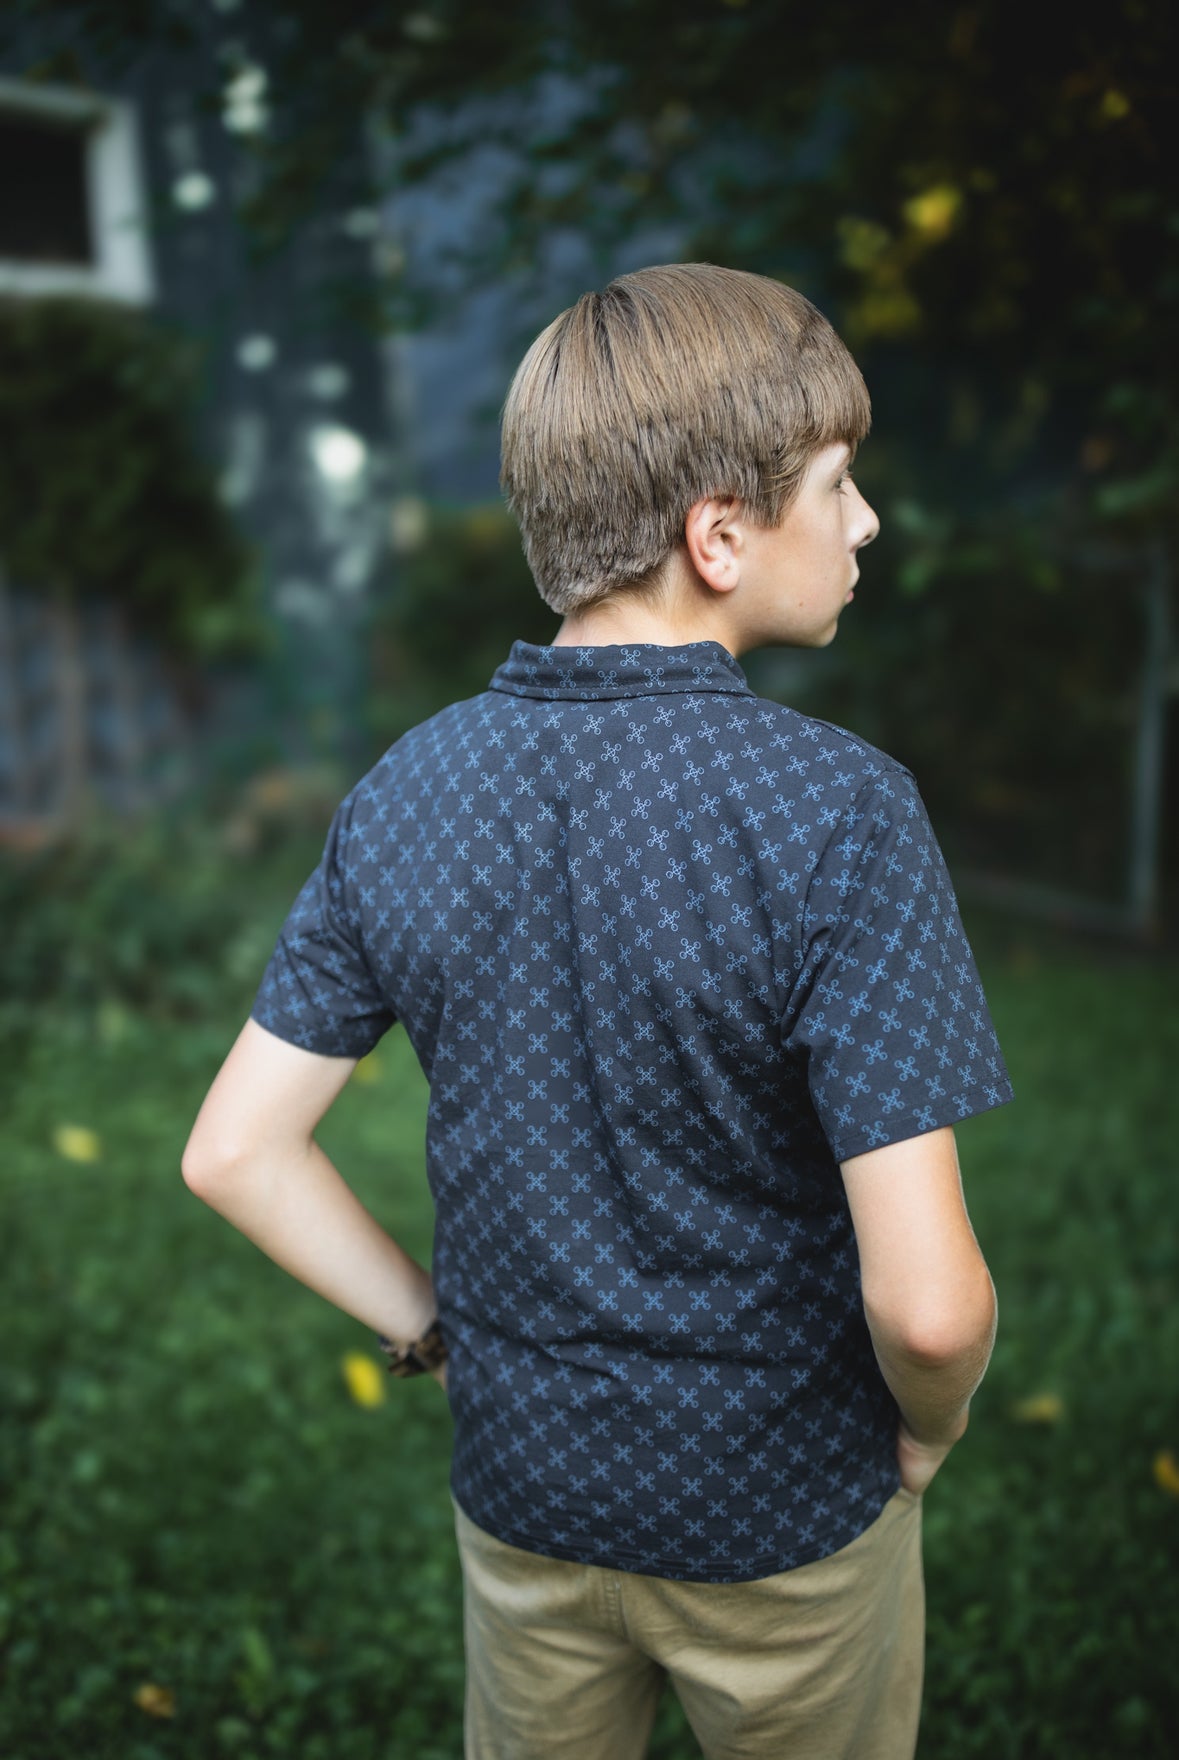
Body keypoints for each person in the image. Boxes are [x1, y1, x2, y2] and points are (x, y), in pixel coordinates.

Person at [183, 263, 1010, 1760]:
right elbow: (932, 1309)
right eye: (840, 482)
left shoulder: (407, 791)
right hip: (785, 1519)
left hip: (524, 1505)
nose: (867, 521)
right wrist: (928, 1433)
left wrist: (434, 1335)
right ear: (719, 534)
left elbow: (236, 1153)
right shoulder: (840, 815)